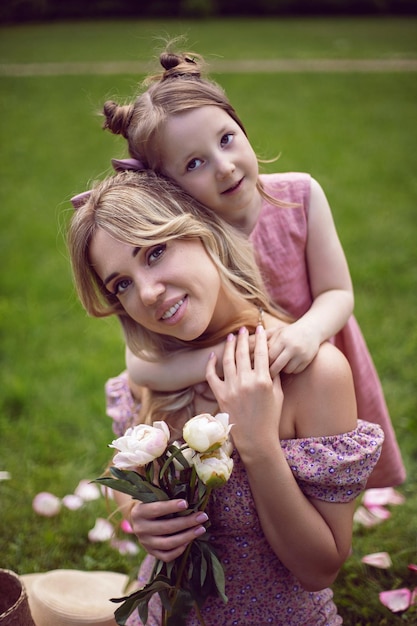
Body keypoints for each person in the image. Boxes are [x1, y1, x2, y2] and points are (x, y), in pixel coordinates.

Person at [68, 169, 384, 625]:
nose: (149, 293)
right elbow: (120, 476)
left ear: (204, 235)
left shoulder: (313, 374)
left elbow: (320, 568)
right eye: (122, 284)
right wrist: (139, 513)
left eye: (155, 253)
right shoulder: (154, 369)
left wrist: (258, 446)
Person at [100, 45, 405, 490]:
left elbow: (337, 293)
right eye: (194, 163)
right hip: (243, 391)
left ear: (241, 126)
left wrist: (308, 333)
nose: (224, 168)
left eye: (226, 139)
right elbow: (141, 368)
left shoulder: (301, 196)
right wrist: (231, 361)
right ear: (168, 188)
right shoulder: (192, 241)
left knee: (332, 465)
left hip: (310, 359)